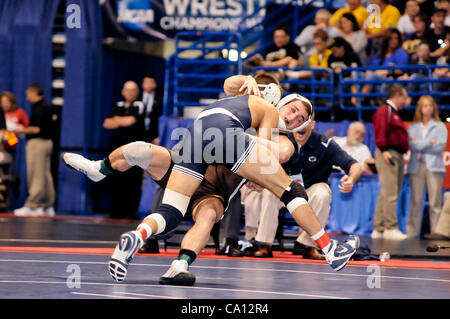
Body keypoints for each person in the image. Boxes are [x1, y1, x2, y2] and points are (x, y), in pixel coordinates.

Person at [107, 76, 360, 281]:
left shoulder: (280, 135)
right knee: (291, 191)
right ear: (280, 102)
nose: (294, 118)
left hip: (213, 186)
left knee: (187, 214)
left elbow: (279, 152)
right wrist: (247, 80)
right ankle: (330, 248)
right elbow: (230, 84)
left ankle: (166, 255)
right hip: (200, 160)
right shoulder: (255, 107)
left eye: (300, 120)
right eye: (293, 110)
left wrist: (257, 171)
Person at [249, 115, 363, 259]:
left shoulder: (325, 143)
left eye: (304, 122)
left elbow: (355, 165)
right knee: (269, 192)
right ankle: (265, 244)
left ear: (313, 124)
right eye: (296, 122)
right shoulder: (280, 141)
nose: (300, 126)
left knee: (323, 192)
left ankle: (309, 246)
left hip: (310, 189)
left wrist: (351, 179)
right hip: (284, 188)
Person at [371, 84, 409, 240]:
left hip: (395, 153)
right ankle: (390, 227)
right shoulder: (385, 111)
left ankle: (379, 228)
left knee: (387, 192)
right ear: (397, 95)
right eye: (405, 97)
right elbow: (380, 130)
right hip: (388, 152)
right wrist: (384, 149)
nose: (406, 100)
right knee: (391, 192)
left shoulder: (394, 113)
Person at [406, 96, 447, 238]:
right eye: (425, 105)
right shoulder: (413, 126)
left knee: (435, 202)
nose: (428, 108)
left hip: (434, 167)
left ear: (434, 108)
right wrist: (429, 141)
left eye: (430, 105)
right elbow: (412, 145)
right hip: (416, 166)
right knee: (415, 201)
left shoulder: (440, 126)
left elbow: (439, 146)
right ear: (420, 108)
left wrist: (420, 143)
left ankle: (437, 232)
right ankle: (411, 233)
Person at [103, 81, 145, 219]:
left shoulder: (139, 106)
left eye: (133, 90)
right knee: (116, 180)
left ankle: (130, 212)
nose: (130, 93)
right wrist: (120, 120)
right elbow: (107, 123)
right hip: (116, 150)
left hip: (133, 151)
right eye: (128, 90)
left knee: (132, 181)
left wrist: (117, 120)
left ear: (137, 92)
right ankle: (116, 211)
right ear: (123, 92)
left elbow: (131, 121)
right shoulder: (118, 106)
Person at [13, 84, 55, 217]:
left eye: (28, 94)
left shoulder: (39, 107)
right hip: (47, 142)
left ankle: (32, 205)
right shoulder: (46, 106)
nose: (27, 97)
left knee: (36, 174)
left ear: (34, 92)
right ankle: (47, 205)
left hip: (38, 143)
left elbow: (36, 129)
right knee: (45, 174)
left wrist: (17, 130)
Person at [360, 28, 409, 104]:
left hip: (389, 79)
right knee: (356, 76)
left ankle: (360, 100)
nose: (393, 40)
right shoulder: (381, 52)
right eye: (391, 38)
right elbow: (371, 67)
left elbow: (400, 70)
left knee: (372, 76)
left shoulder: (401, 52)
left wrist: (385, 71)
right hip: (375, 77)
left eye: (396, 38)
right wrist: (369, 71)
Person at [140, 75, 162, 144]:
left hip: (154, 134)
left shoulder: (161, 99)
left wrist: (159, 135)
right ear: (142, 84)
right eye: (146, 82)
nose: (149, 85)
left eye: (151, 82)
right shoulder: (137, 98)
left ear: (155, 84)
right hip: (139, 134)